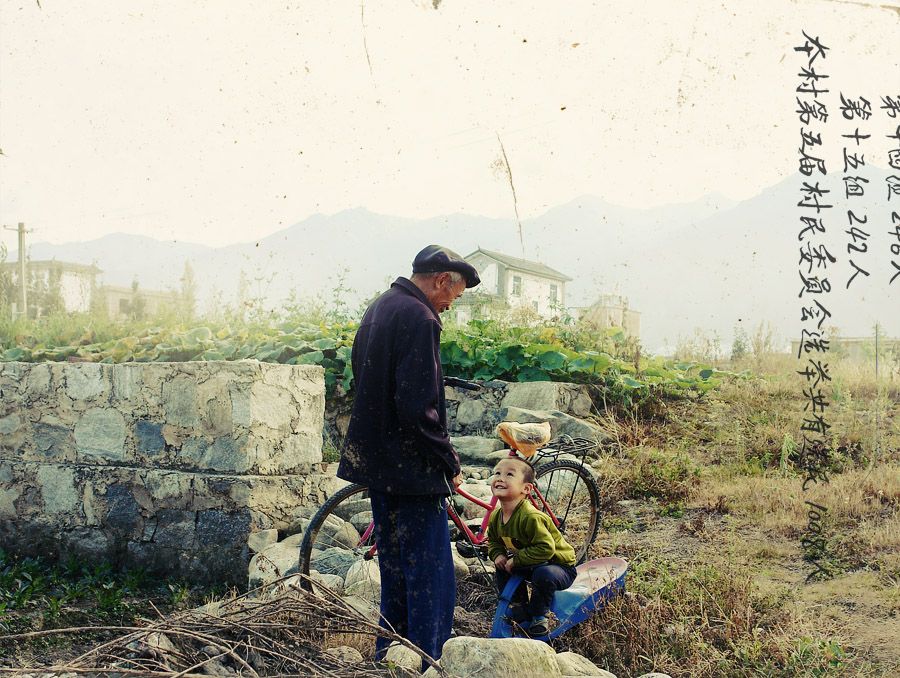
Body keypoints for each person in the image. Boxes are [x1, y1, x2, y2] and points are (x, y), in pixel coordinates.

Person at [337, 244, 480, 666]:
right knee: (431, 574)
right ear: (441, 280)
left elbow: (364, 377)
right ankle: (428, 659)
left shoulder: (380, 307)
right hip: (414, 470)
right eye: (453, 295)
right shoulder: (420, 318)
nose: (451, 304)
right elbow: (419, 408)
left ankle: (390, 656)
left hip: (381, 467)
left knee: (395, 568)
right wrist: (447, 460)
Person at [487, 457, 578, 636]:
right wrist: (497, 555)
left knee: (543, 574)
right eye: (497, 473)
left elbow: (545, 548)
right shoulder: (496, 516)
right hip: (531, 562)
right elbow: (493, 542)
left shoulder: (530, 517)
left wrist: (517, 559)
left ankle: (539, 616)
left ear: (526, 489)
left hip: (558, 566)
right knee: (502, 568)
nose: (500, 478)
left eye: (509, 474)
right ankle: (519, 607)